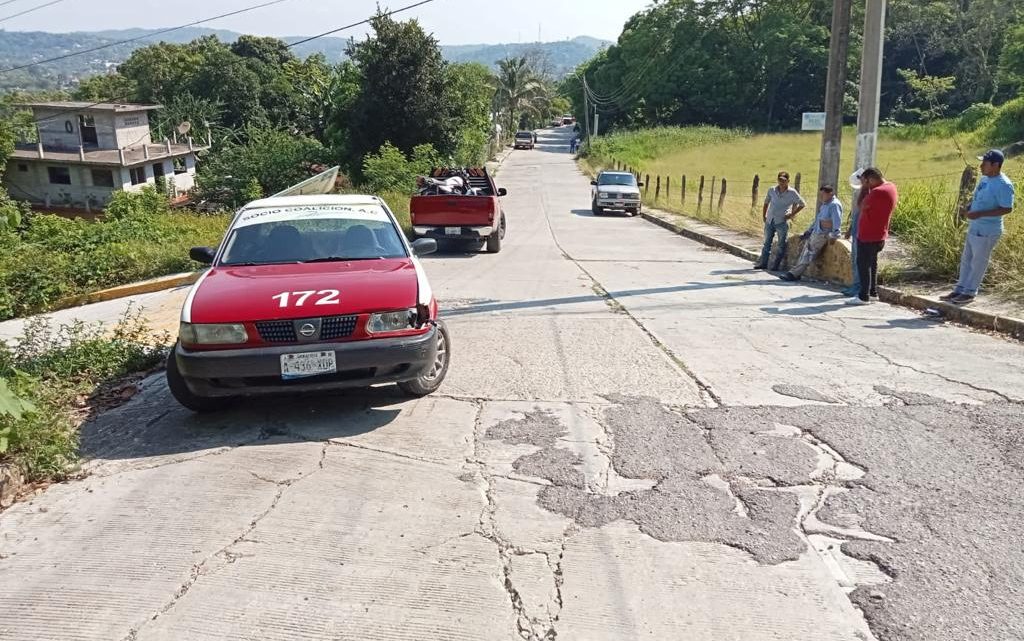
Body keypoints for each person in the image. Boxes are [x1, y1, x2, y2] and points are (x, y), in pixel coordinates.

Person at [938, 149, 1015, 306]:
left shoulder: (1004, 185)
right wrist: (969, 207)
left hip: (988, 230)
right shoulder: (985, 179)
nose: (981, 166)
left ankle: (970, 292)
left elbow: (1007, 208)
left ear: (995, 165)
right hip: (975, 226)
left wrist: (980, 214)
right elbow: (977, 197)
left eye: (984, 163)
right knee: (966, 259)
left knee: (978, 262)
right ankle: (960, 289)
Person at [847, 167, 898, 305]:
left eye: (865, 181)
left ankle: (863, 296)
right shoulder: (891, 187)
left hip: (869, 234)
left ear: (871, 179)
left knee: (863, 265)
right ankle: (873, 292)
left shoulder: (877, 192)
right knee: (872, 264)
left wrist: (864, 188)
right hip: (879, 233)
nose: (864, 184)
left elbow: (860, 205)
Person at [781, 186, 843, 281]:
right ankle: (795, 272)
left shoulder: (834, 205)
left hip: (822, 234)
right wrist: (809, 230)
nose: (821, 197)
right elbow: (817, 220)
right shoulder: (825, 205)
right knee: (805, 252)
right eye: (821, 194)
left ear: (830, 194)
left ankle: (794, 274)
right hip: (816, 232)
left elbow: (836, 221)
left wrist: (835, 234)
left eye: (823, 194)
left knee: (808, 254)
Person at [755, 171, 806, 271]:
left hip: (781, 221)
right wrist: (764, 216)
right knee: (766, 243)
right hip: (770, 219)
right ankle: (763, 263)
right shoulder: (772, 190)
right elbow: (766, 203)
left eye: (784, 181)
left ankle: (776, 266)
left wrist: (791, 214)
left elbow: (802, 204)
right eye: (780, 180)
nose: (781, 183)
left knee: (781, 244)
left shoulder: (792, 192)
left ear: (788, 181)